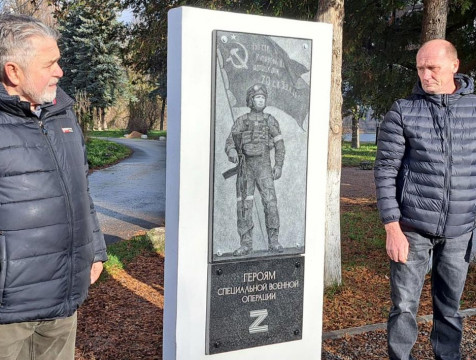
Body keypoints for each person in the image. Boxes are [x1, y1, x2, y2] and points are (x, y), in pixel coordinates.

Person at [0, 14, 107, 360]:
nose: (60, 71)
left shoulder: (62, 111)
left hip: (62, 300)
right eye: (50, 63)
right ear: (13, 72)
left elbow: (80, 188)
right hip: (7, 315)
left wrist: (96, 248)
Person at [375, 39, 476, 360]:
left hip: (461, 231)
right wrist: (392, 228)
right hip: (412, 230)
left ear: (454, 66)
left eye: (432, 67)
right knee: (404, 307)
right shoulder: (403, 111)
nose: (425, 75)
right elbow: (385, 171)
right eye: (420, 68)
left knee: (450, 307)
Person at [224, 83, 285, 256]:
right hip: (246, 168)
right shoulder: (242, 121)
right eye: (257, 97)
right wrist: (232, 151)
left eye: (262, 98)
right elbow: (230, 142)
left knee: (270, 203)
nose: (260, 100)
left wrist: (278, 165)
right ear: (251, 100)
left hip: (264, 166)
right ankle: (245, 244)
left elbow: (280, 145)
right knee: (244, 205)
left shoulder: (270, 120)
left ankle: (274, 241)